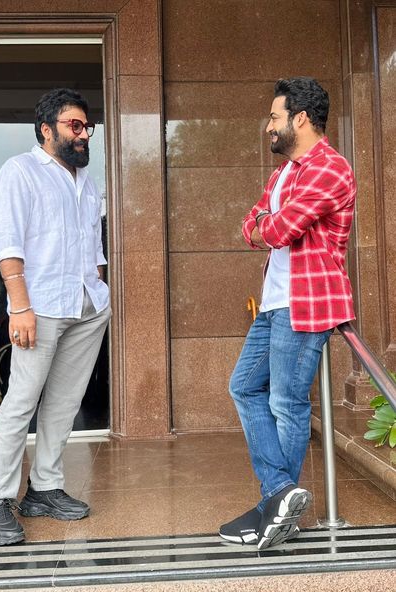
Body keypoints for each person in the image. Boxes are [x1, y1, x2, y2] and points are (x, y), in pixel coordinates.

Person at [219, 78, 356, 550]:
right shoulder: (284, 174)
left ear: (300, 118)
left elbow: (278, 229)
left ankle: (275, 506)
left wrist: (264, 226)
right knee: (243, 386)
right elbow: (251, 223)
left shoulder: (331, 169)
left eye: (275, 117)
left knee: (287, 403)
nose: (268, 127)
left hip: (308, 302)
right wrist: (262, 226)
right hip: (274, 301)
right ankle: (280, 494)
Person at [0, 88, 111, 546]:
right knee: (22, 402)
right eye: (75, 125)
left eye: (87, 127)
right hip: (41, 306)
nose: (84, 134)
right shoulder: (20, 172)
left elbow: (93, 249)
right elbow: (7, 244)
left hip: (86, 305)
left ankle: (44, 489)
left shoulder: (85, 183)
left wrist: (101, 291)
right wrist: (21, 307)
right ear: (46, 128)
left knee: (64, 404)